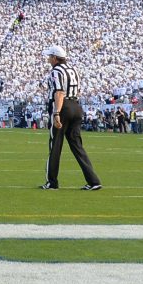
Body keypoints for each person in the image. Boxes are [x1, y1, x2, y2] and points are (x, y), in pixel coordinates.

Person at [41, 45, 102, 190]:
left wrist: (56, 112)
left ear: (55, 58)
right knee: (77, 145)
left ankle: (52, 182)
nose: (48, 59)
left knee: (55, 145)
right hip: (75, 106)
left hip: (63, 107)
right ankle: (94, 181)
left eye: (50, 57)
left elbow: (59, 92)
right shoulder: (73, 69)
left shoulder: (56, 71)